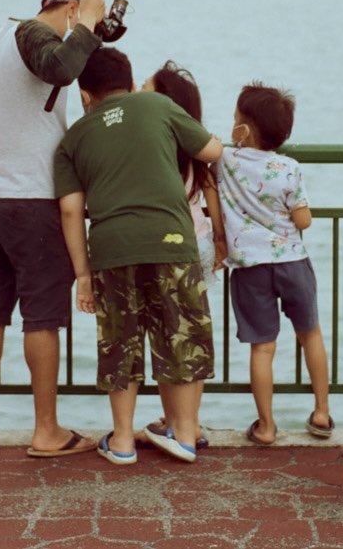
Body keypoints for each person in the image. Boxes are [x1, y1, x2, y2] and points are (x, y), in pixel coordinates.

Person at [0, 0, 106, 457]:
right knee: (42, 317)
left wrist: (94, 30)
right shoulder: (33, 35)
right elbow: (61, 66)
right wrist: (85, 21)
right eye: (78, 18)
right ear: (67, 8)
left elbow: (64, 60)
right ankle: (47, 431)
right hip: (34, 199)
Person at [54, 47, 223, 465]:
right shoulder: (157, 104)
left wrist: (82, 274)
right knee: (179, 336)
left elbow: (72, 209)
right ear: (130, 84)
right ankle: (184, 434)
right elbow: (212, 151)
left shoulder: (72, 139)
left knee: (120, 343)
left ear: (84, 94)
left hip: (112, 250)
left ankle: (124, 441)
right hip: (171, 242)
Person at [214, 82, 333, 445]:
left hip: (250, 268)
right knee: (309, 333)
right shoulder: (289, 167)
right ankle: (322, 413)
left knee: (262, 347)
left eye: (235, 119)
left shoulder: (224, 160)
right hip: (292, 263)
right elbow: (304, 220)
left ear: (243, 130)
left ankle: (265, 426)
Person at [139, 60, 224, 450]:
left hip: (171, 248)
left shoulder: (152, 145)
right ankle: (190, 421)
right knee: (192, 332)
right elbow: (211, 195)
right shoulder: (195, 148)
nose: (139, 91)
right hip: (202, 243)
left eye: (146, 87)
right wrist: (221, 241)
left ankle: (175, 422)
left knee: (166, 332)